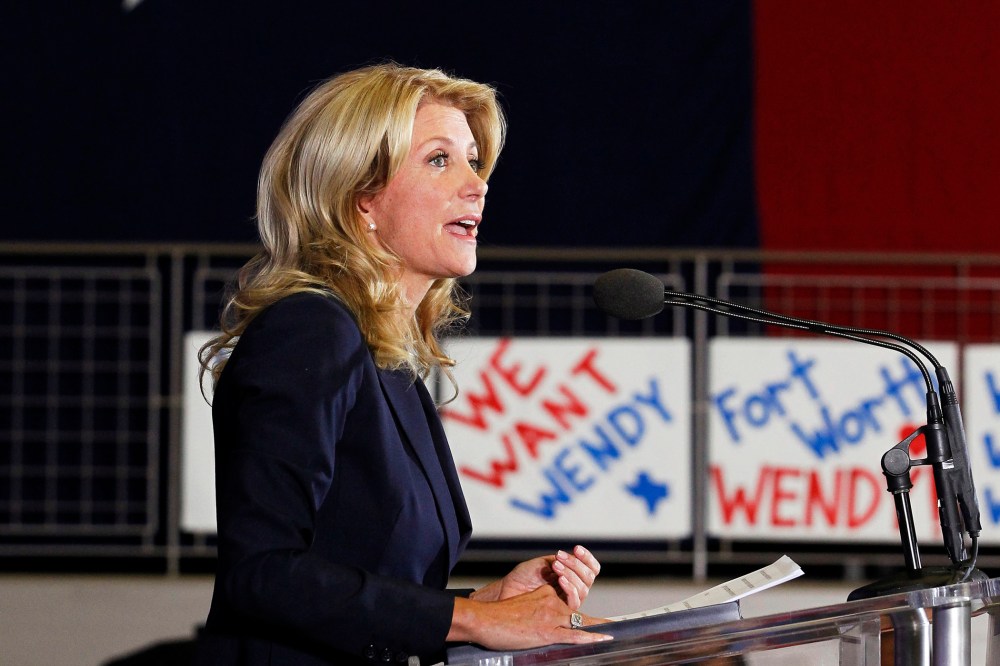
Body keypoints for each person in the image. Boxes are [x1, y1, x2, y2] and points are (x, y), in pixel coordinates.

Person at [193, 63, 612, 665]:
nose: (477, 184)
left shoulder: (385, 355)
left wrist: (487, 606)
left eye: (474, 161)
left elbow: (358, 582)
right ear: (362, 198)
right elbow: (262, 575)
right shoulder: (309, 331)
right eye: (439, 160)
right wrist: (472, 620)